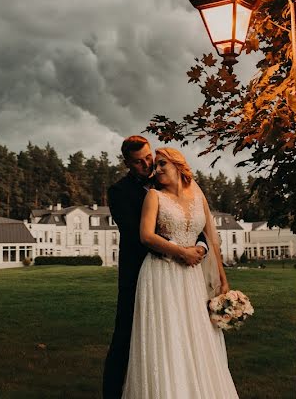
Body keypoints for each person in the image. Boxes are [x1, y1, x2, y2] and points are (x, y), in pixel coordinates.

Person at [122, 146, 238, 398]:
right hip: (161, 274)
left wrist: (222, 278)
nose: (157, 168)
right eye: (157, 165)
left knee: (196, 333)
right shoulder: (154, 196)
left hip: (193, 277)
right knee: (168, 334)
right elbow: (146, 236)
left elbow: (210, 239)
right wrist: (180, 252)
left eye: (163, 163)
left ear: (178, 165)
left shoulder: (198, 197)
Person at [102, 136, 209, 399]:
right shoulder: (119, 192)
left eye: (149, 158)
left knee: (177, 329)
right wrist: (179, 251)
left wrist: (200, 247)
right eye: (139, 162)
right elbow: (134, 233)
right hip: (139, 271)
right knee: (126, 336)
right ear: (127, 163)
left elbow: (191, 220)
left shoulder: (168, 181)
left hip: (179, 272)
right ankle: (114, 393)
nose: (147, 164)